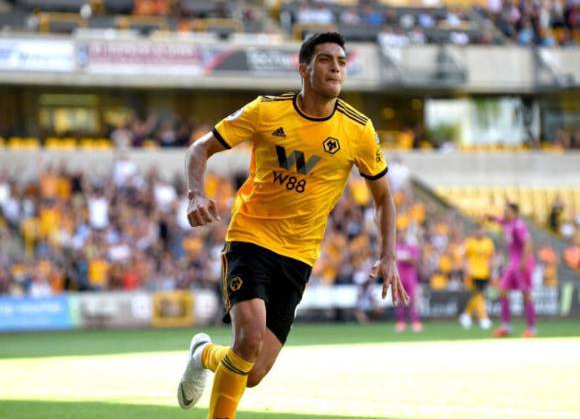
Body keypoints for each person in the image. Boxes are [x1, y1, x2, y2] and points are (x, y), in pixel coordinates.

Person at [177, 32, 409, 419]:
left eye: (341, 61)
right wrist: (195, 194)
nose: (335, 68)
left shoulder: (358, 130)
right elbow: (200, 149)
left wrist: (389, 256)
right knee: (248, 339)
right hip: (250, 238)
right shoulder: (266, 111)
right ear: (303, 68)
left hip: (299, 255)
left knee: (251, 372)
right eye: (325, 60)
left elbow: (384, 198)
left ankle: (203, 354)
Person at [489, 203, 537, 338]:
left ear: (515, 213)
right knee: (502, 291)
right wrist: (491, 217)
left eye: (507, 211)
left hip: (523, 264)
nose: (505, 212)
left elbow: (528, 242)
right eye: (504, 210)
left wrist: (523, 262)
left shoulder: (518, 225)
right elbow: (498, 219)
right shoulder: (507, 223)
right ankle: (506, 327)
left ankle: (532, 329)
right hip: (512, 265)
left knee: (526, 294)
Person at [458, 224, 495, 330]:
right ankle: (484, 318)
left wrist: (491, 271)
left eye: (482, 230)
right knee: (478, 294)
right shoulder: (470, 242)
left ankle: (466, 315)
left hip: (485, 273)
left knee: (478, 295)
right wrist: (466, 270)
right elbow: (464, 257)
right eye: (478, 230)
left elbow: (491, 258)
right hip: (473, 273)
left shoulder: (489, 242)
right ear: (474, 231)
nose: (480, 232)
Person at [395, 228, 422, 332]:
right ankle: (401, 322)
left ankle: (416, 321)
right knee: (400, 301)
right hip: (399, 277)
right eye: (399, 235)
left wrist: (405, 258)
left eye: (402, 234)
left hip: (410, 277)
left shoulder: (412, 247)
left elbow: (415, 261)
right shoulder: (395, 247)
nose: (401, 236)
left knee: (413, 300)